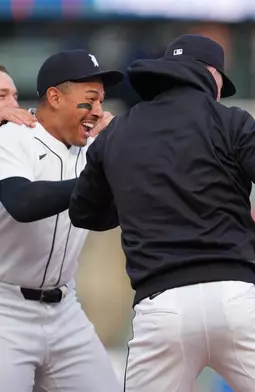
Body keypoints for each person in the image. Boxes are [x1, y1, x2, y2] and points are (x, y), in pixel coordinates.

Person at [68, 34, 255, 392]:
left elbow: (84, 212)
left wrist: (141, 196)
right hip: (233, 301)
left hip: (162, 307)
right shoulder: (230, 121)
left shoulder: (117, 133)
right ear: (211, 75)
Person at [0, 49, 123, 392]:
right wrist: (98, 177)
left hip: (65, 309)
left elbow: (103, 219)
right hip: (6, 308)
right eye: (90, 100)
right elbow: (22, 203)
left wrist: (117, 156)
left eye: (101, 101)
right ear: (54, 97)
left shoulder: (92, 150)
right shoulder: (12, 137)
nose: (98, 110)